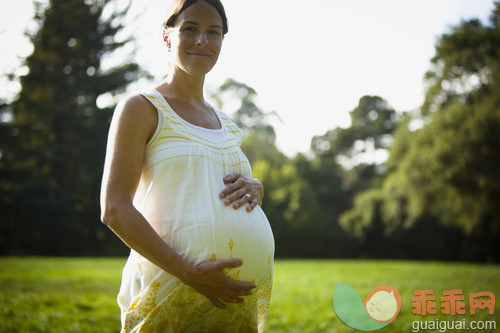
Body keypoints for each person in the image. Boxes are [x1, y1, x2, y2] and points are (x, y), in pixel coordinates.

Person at [99, 0, 275, 332]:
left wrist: (257, 187)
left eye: (214, 32)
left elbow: (219, 192)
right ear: (167, 37)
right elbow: (114, 209)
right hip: (171, 293)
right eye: (190, 29)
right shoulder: (141, 108)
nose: (202, 41)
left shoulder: (226, 122)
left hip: (236, 307)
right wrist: (190, 274)